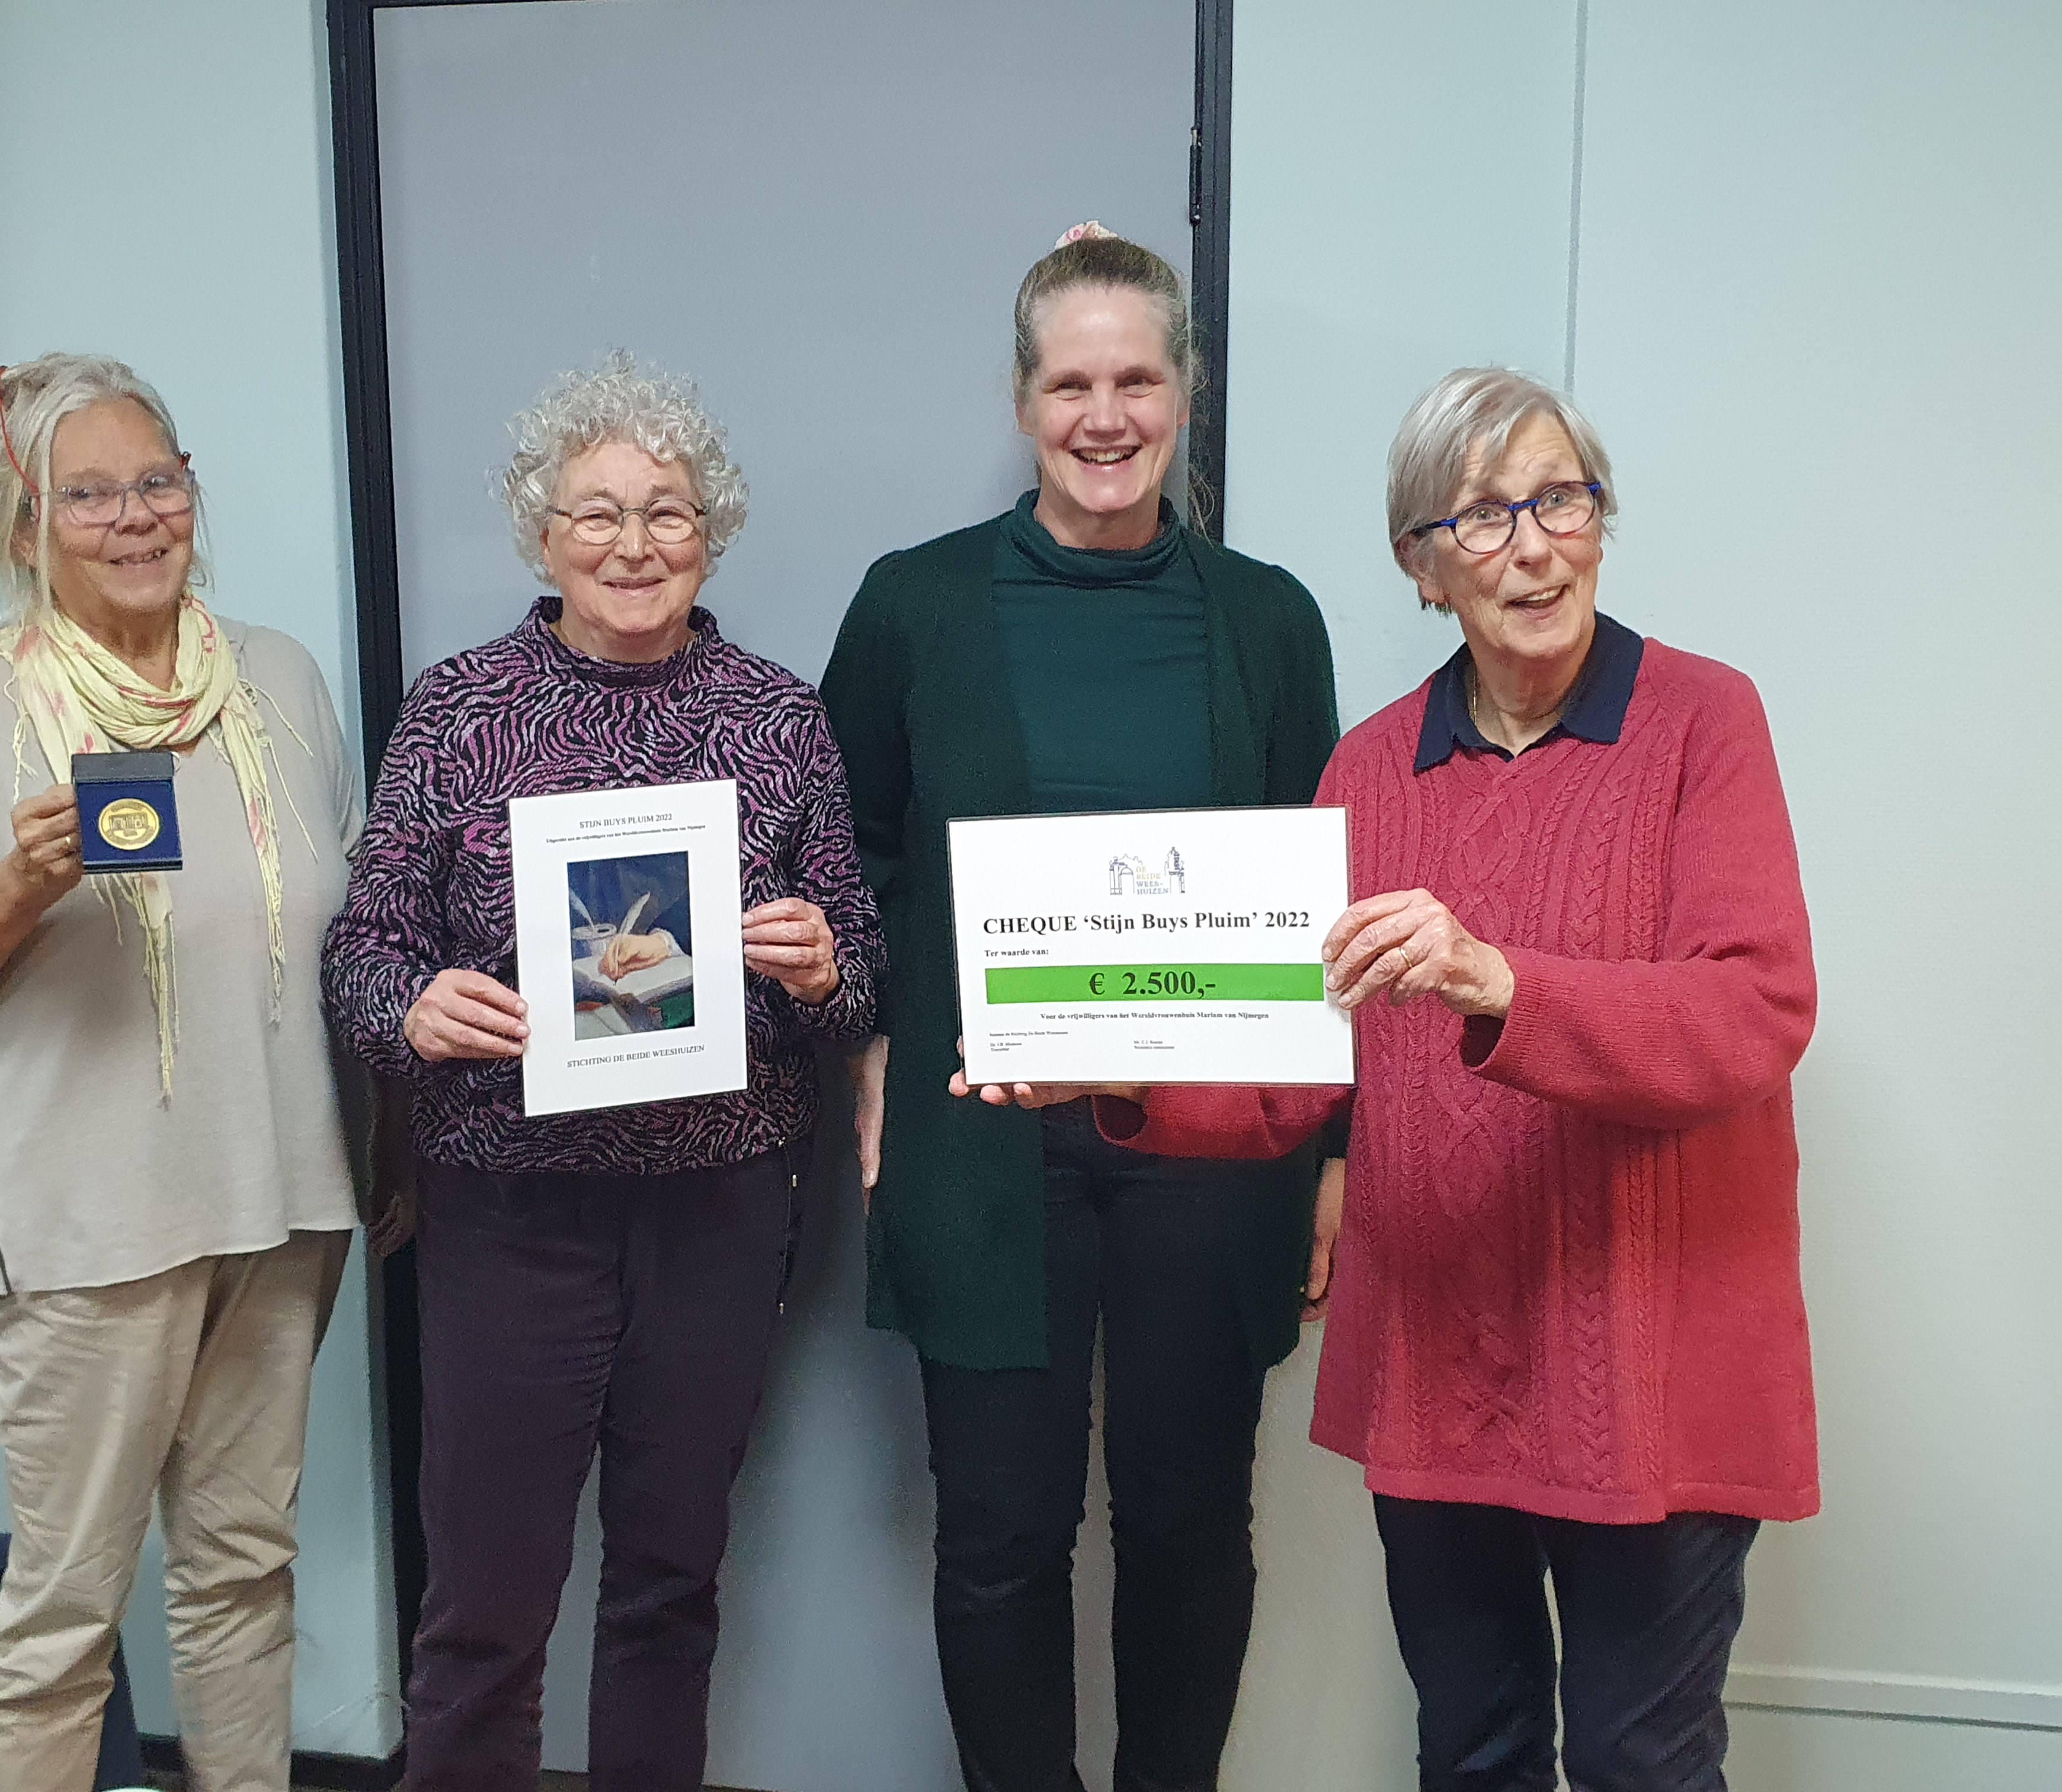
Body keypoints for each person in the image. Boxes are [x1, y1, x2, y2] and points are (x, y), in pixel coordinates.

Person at [961, 366, 1821, 1792]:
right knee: (1470, 1752)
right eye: (1482, 518)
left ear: (1601, 522)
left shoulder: (1701, 723)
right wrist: (1118, 1075)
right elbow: (1294, 1073)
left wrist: (1501, 982)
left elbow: (1753, 1012)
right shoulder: (1369, 772)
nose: (1533, 544)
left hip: (1651, 1364)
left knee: (1638, 1762)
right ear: (1422, 567)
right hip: (1444, 1356)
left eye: (1560, 499)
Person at [819, 225, 1340, 1792]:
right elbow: (859, 853)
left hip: (1214, 1148)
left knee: (1188, 1525)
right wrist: (875, 1042)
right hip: (985, 1146)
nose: (1104, 414)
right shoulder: (914, 606)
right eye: (1070, 383)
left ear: (1184, 395)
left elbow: (1324, 895)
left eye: (1137, 379)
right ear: (1024, 399)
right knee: (997, 1533)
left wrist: (1335, 1155)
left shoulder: (1269, 618)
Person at [319, 354, 883, 1792]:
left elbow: (864, 974)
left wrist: (821, 967)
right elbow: (363, 946)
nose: (635, 544)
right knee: (485, 1610)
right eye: (598, 515)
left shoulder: (777, 714)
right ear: (542, 532)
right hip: (510, 1218)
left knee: (666, 1590)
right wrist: (416, 1006)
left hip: (719, 1214)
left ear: (713, 533)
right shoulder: (457, 710)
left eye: (669, 512)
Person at [0, 354, 364, 1792]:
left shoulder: (276, 677)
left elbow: (343, 943)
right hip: (88, 1231)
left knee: (243, 1574)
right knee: (68, 1612)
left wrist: (385, 1160)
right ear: (26, 525)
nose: (135, 517)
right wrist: (17, 889)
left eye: (159, 481)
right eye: (89, 494)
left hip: (283, 1203)